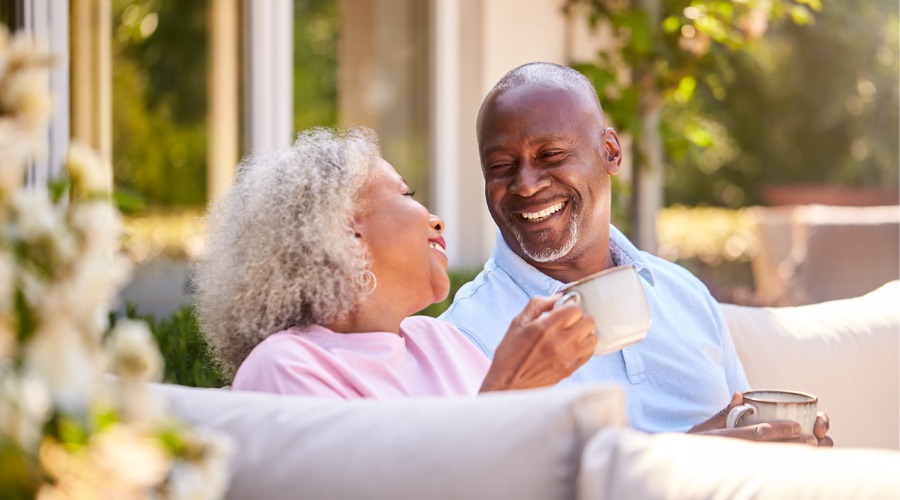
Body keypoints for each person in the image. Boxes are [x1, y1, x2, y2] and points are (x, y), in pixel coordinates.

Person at [440, 62, 832, 445]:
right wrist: (686, 460)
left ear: (610, 152)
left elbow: (743, 427)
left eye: (552, 155)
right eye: (501, 165)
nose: (525, 185)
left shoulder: (682, 293)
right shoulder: (467, 334)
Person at [193, 127, 597, 399]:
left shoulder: (444, 342)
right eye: (406, 194)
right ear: (344, 232)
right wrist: (508, 391)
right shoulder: (286, 367)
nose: (436, 219)